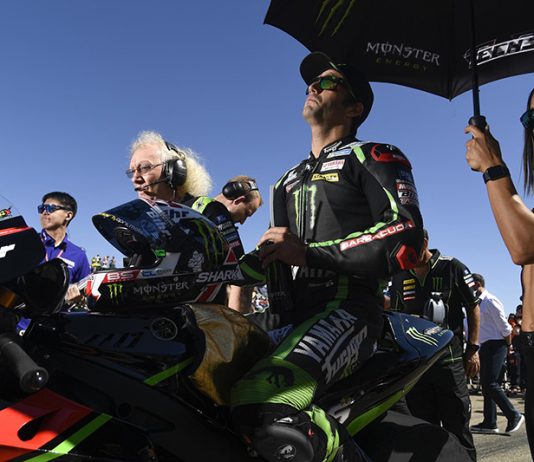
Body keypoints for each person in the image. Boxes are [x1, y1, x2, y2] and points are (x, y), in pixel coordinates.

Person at [230, 52, 424, 462]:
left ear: (355, 108)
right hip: (289, 316)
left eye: (328, 82)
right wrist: (234, 268)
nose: (313, 87)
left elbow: (405, 236)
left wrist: (308, 253)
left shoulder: (375, 155)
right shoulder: (284, 181)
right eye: (311, 83)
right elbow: (277, 261)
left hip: (350, 309)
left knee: (263, 396)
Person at [465, 88, 534, 455]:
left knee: (492, 384)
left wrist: (493, 165)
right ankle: (496, 418)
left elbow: (524, 245)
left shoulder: (489, 300)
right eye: (530, 119)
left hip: (512, 343)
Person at [388, 229, 479, 461]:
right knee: (423, 429)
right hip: (417, 367)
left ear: (425, 242)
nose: (408, 255)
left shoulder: (452, 267)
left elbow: (473, 307)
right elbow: (395, 315)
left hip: (449, 362)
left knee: (458, 425)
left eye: (412, 249)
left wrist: (473, 349)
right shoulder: (400, 275)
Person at [184, 175, 263, 309]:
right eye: (246, 213)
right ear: (238, 200)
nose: (243, 222)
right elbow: (238, 266)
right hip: (201, 306)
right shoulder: (215, 210)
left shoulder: (189, 204)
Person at [18, 192, 91, 333]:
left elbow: (86, 294)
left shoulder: (79, 255)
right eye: (41, 208)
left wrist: (79, 298)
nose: (44, 212)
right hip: (18, 325)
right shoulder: (26, 243)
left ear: (68, 215)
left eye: (51, 208)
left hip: (54, 331)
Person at [469, 273, 524, 435]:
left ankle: (513, 415)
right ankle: (490, 422)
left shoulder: (490, 301)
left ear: (477, 284)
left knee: (490, 383)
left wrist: (507, 346)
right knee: (486, 385)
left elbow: (505, 327)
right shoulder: (476, 303)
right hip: (485, 345)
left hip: (497, 344)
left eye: (469, 284)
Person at [128, 130, 212, 203]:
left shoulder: (207, 211)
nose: (134, 179)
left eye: (144, 167)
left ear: (174, 171)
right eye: (132, 172)